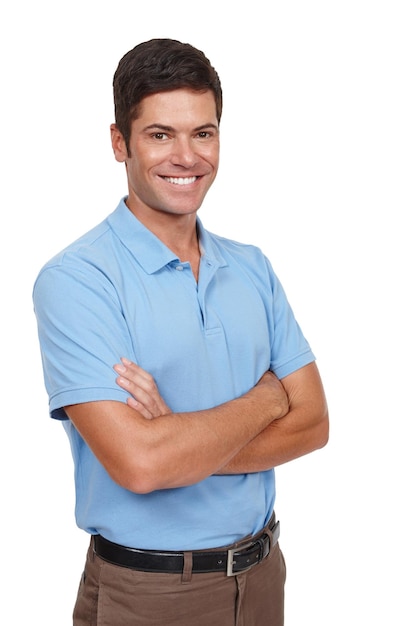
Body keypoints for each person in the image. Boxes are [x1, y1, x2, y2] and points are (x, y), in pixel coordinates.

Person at [33, 38, 329, 626]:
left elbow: (315, 424)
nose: (187, 156)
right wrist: (268, 398)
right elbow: (141, 465)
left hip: (264, 574)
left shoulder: (252, 267)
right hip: (151, 594)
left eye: (203, 133)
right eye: (159, 134)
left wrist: (179, 443)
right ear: (120, 143)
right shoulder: (77, 281)